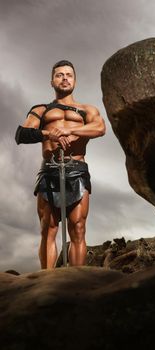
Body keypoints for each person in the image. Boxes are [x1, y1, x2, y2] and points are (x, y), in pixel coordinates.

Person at [15, 60, 106, 269]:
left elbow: (100, 128)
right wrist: (49, 133)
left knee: (78, 227)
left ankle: (75, 282)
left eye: (69, 75)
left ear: (75, 80)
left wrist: (69, 131)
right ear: (52, 81)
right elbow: (22, 134)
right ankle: (47, 282)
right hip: (50, 169)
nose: (65, 78)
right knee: (48, 229)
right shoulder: (42, 110)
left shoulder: (86, 110)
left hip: (77, 169)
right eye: (60, 75)